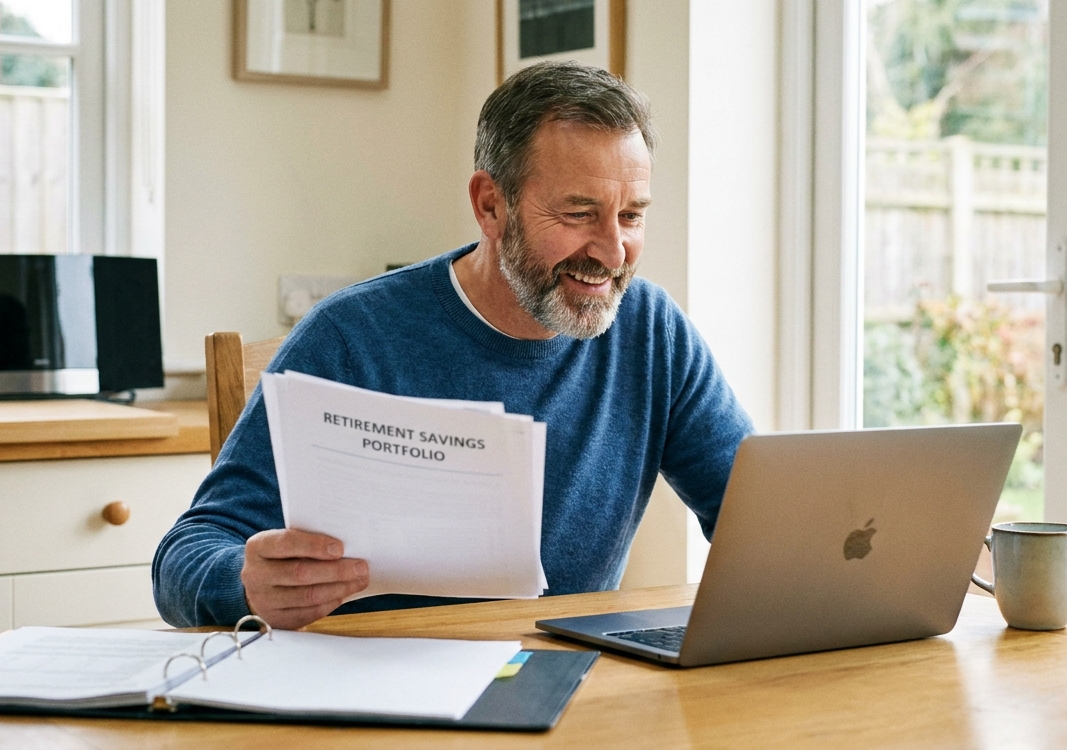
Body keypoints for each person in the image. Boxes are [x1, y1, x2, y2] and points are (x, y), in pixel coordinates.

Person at [152, 61, 754, 630]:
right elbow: (184, 557)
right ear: (490, 205)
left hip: (569, 691)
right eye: (579, 214)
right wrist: (244, 581)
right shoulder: (351, 336)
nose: (613, 251)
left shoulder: (651, 331)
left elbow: (759, 522)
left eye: (631, 217)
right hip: (377, 705)